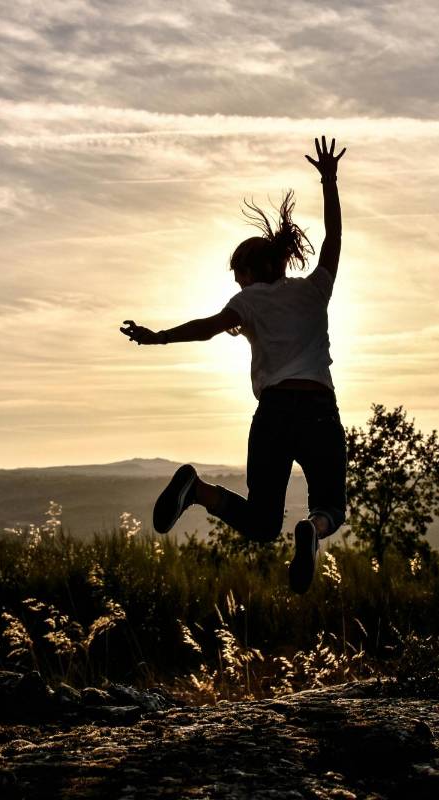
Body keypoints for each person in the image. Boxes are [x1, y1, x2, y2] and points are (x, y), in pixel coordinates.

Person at [120, 135, 347, 594]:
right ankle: (311, 530)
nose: (237, 283)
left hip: (275, 413)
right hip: (319, 410)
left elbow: (207, 327)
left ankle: (197, 490)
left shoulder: (249, 301)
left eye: (237, 274)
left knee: (262, 522)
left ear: (250, 270)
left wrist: (157, 336)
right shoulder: (313, 289)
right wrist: (329, 181)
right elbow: (333, 239)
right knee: (330, 507)